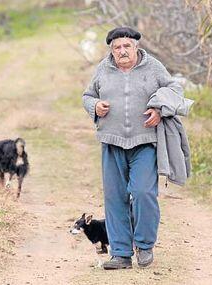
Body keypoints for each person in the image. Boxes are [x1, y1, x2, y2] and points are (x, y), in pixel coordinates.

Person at [82, 26, 184, 270]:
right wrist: (95, 106)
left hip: (145, 143)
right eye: (117, 47)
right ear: (111, 50)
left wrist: (160, 109)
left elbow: (175, 91)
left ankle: (145, 245)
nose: (122, 51)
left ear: (136, 47)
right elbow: (87, 96)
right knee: (115, 198)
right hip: (111, 142)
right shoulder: (103, 69)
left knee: (142, 193)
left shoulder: (153, 67)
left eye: (127, 46)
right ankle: (120, 253)